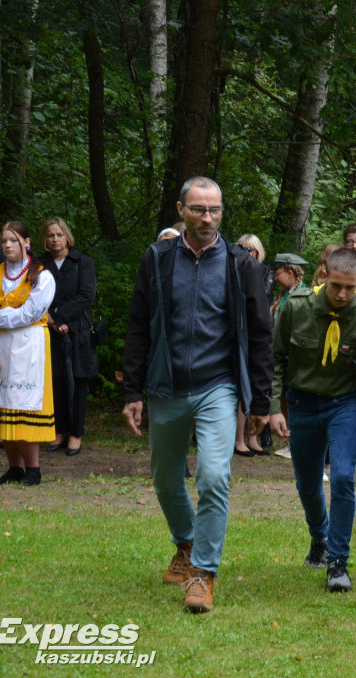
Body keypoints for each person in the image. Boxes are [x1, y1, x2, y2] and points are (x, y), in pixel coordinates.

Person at [122, 176, 273, 613]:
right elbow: (138, 325)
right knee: (166, 478)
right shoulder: (158, 258)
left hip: (217, 387)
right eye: (199, 209)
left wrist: (259, 401)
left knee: (213, 475)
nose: (208, 218)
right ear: (181, 209)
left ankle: (203, 573)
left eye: (215, 210)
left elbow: (260, 336)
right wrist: (132, 389)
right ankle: (186, 543)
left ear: (222, 212)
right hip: (164, 386)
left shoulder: (240, 263)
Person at [268, 247, 356, 592]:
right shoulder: (297, 307)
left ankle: (338, 562)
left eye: (350, 287)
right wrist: (273, 408)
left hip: (346, 404)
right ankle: (319, 537)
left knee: (343, 477)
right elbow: (276, 360)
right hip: (302, 403)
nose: (342, 294)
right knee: (308, 483)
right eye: (336, 286)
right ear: (324, 276)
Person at [0, 221, 57, 487]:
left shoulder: (43, 276)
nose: (7, 245)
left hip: (30, 346)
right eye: (4, 241)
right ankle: (14, 467)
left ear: (27, 243)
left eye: (13, 240)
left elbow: (30, 314)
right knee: (4, 403)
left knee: (24, 401)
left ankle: (34, 468)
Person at [37, 217, 97, 457]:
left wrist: (62, 319)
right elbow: (35, 296)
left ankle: (76, 433)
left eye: (59, 234)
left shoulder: (83, 262)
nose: (55, 239)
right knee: (56, 381)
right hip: (49, 329)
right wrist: (52, 321)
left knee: (79, 381)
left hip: (79, 329)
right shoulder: (39, 264)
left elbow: (86, 296)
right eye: (50, 235)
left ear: (67, 236)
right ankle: (59, 431)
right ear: (45, 238)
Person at [234, 233, 274, 456]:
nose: (247, 254)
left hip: (257, 335)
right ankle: (239, 439)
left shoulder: (265, 272)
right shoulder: (233, 272)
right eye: (242, 249)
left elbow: (263, 300)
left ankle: (252, 438)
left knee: (256, 385)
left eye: (251, 251)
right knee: (242, 387)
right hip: (241, 335)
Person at [270, 253, 308, 323]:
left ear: (290, 273)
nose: (275, 278)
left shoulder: (304, 297)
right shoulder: (281, 296)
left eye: (277, 274)